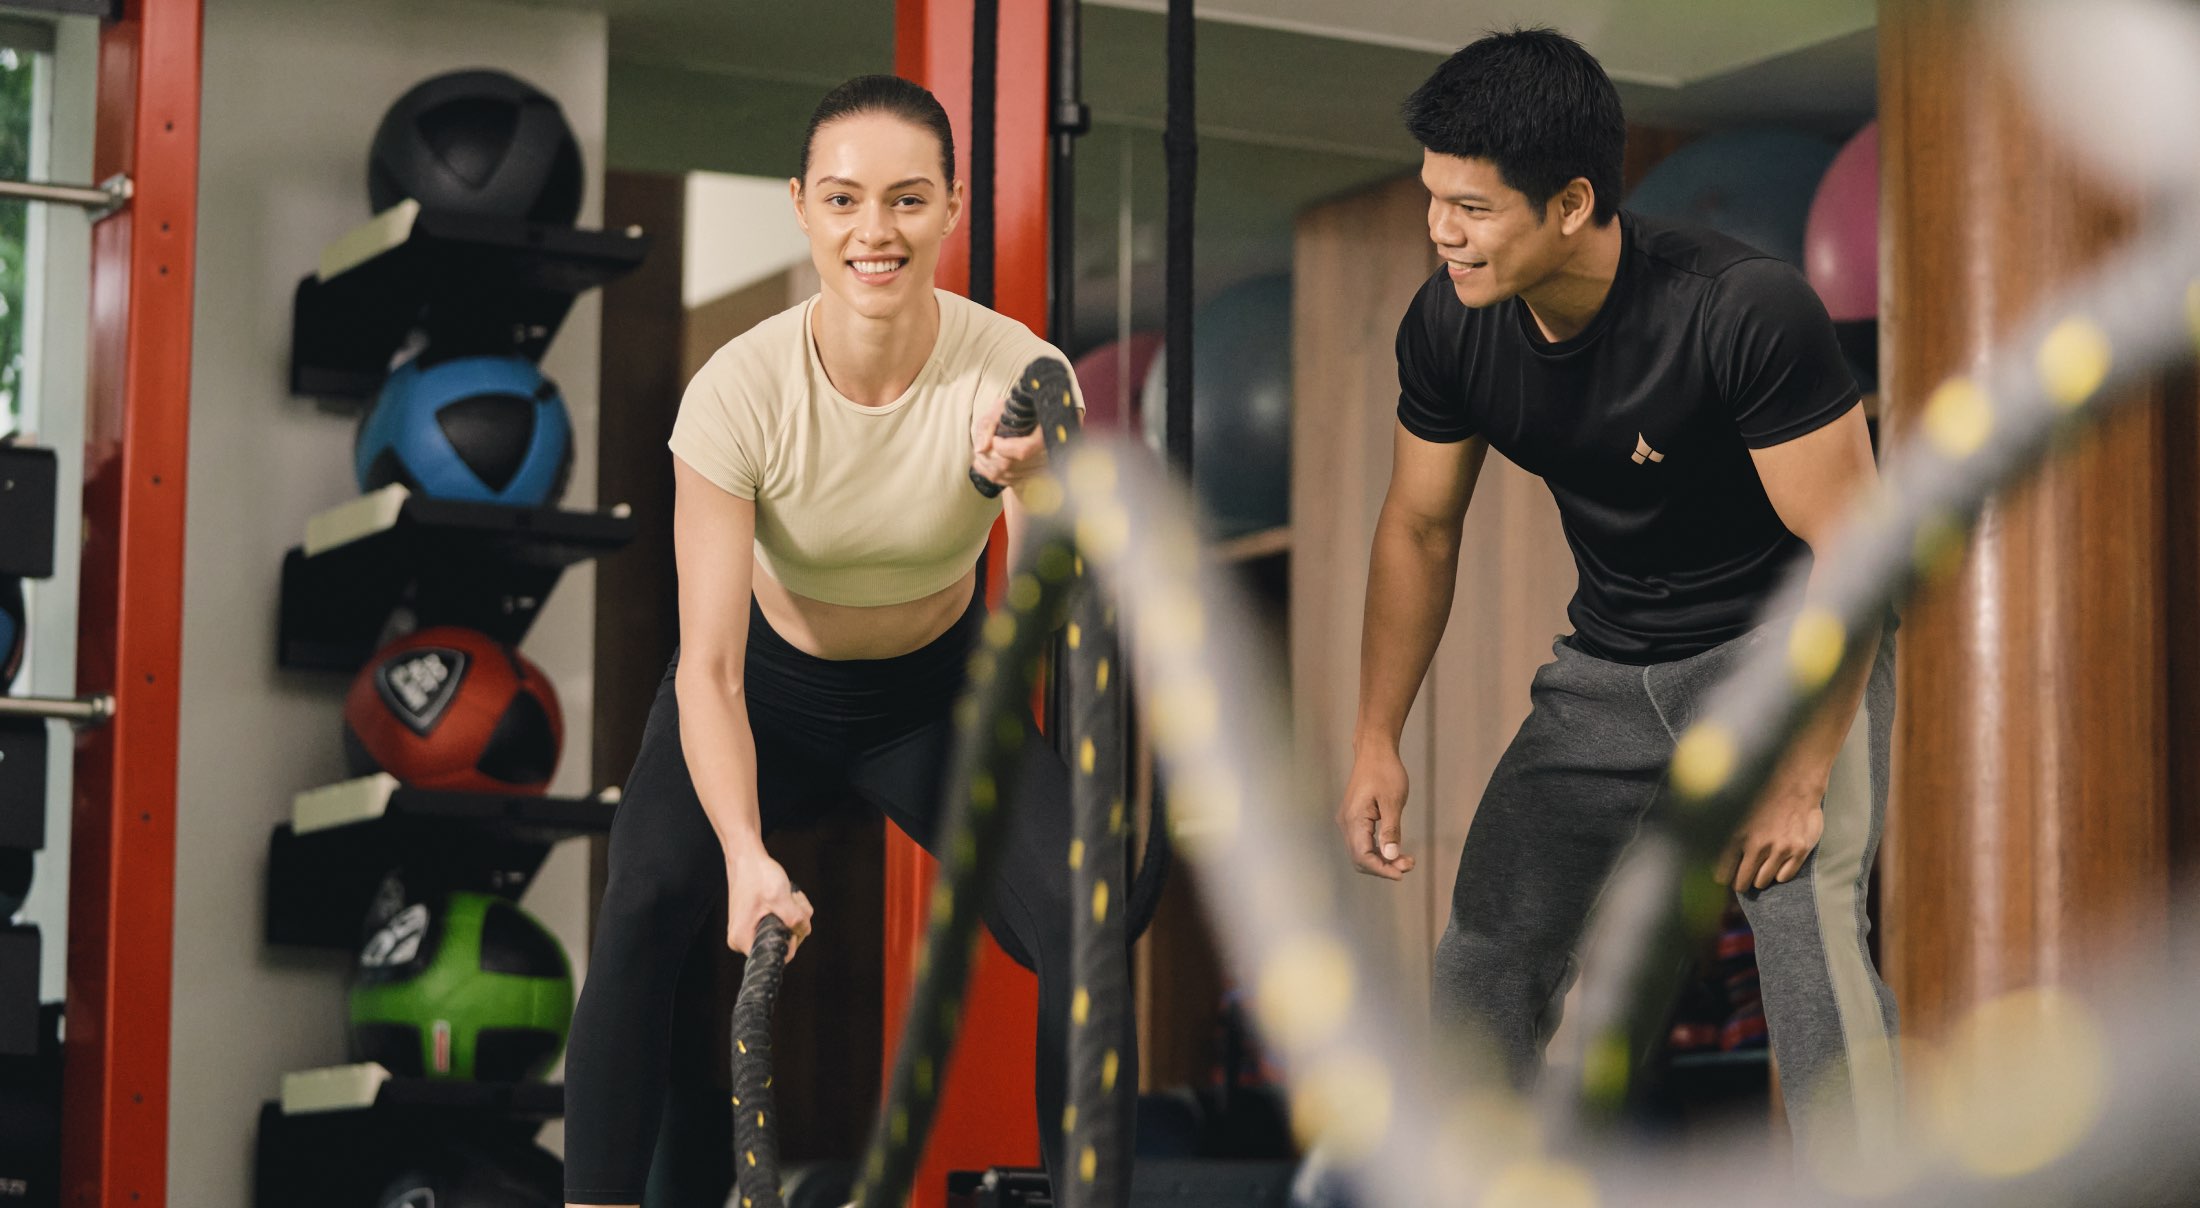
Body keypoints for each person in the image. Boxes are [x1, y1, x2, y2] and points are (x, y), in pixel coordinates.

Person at [563, 74, 1123, 1207]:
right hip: (758, 691)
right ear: (803, 208)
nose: (877, 231)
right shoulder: (738, 392)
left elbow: (1055, 619)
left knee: (1083, 916)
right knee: (644, 905)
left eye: (909, 200)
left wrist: (1036, 479)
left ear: (953, 208)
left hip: (934, 698)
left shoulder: (1022, 372)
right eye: (845, 200)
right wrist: (744, 851)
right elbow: (709, 667)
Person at [1334, 29, 1898, 1155]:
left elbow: (1858, 542)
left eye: (1474, 207)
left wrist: (1798, 774)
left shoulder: (1738, 310)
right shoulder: (1450, 320)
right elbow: (1419, 525)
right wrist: (1375, 732)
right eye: (1432, 197)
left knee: (1801, 928)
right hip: (1606, 667)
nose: (1441, 230)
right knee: (1489, 944)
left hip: (1775, 657)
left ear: (1572, 203)